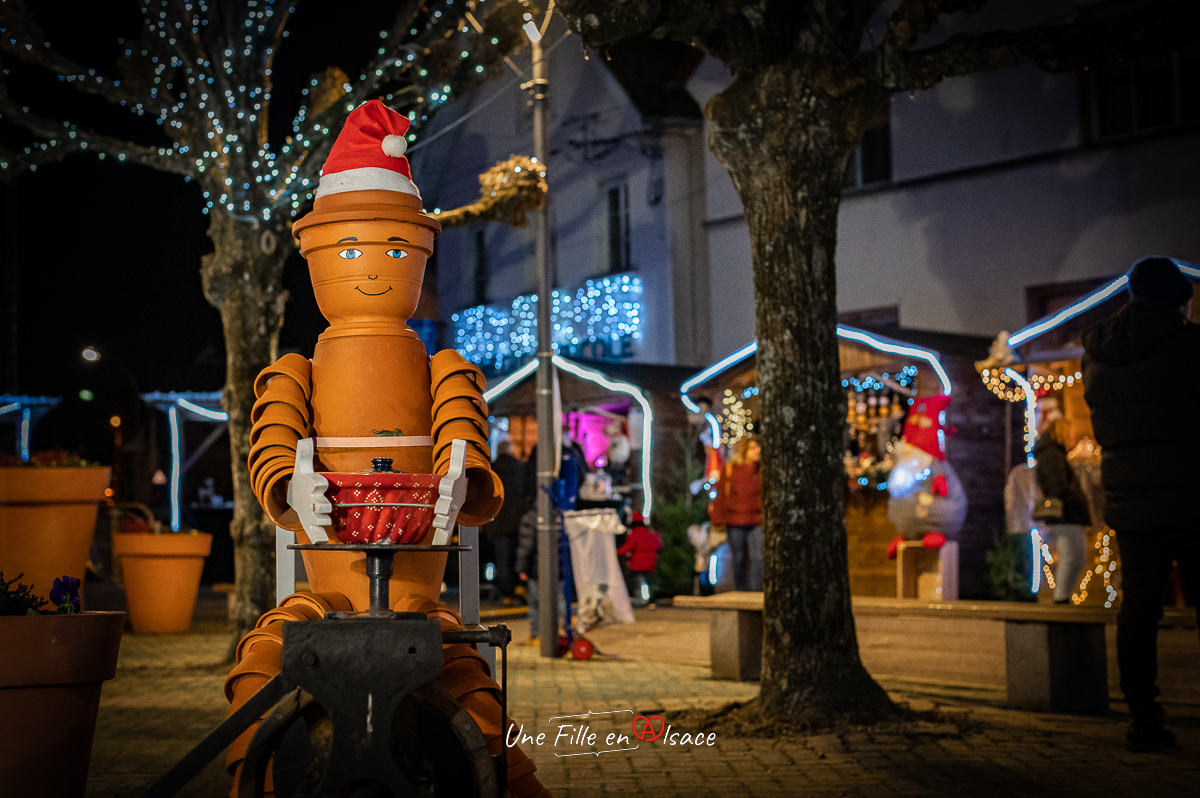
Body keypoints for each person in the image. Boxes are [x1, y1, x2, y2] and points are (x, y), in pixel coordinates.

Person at [1082, 256, 1199, 752]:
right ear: (1179, 299)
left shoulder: (1099, 354)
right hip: (1193, 495)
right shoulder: (1191, 346)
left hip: (1130, 498)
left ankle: (1143, 717)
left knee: (1139, 611)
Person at [1033, 418, 1090, 603]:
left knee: (1078, 557)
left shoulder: (1052, 453)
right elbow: (1057, 486)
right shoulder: (1051, 454)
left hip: (1069, 513)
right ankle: (1061, 600)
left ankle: (1063, 598)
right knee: (1070, 557)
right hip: (1065, 514)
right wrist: (1073, 500)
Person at [709, 436, 763, 592]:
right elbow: (721, 496)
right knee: (739, 559)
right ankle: (741, 591)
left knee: (759, 559)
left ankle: (755, 593)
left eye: (757, 447)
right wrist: (717, 518)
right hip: (735, 520)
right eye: (753, 448)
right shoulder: (730, 469)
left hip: (757, 520)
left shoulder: (761, 469)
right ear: (743, 450)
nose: (757, 451)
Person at [484, 440, 525, 603]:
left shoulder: (492, 468)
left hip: (498, 521)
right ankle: (518, 589)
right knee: (517, 556)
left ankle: (505, 594)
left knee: (502, 560)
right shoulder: (520, 467)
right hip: (518, 521)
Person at [616, 511, 663, 606]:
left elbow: (628, 547)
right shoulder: (651, 534)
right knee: (650, 583)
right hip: (650, 564)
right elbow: (659, 545)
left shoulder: (634, 534)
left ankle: (639, 602)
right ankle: (651, 601)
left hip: (638, 565)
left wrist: (616, 552)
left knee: (637, 583)